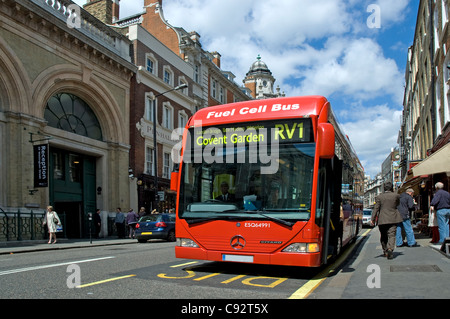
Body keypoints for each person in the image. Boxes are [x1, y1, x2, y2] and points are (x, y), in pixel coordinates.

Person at [371, 182, 403, 259]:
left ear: (384, 188)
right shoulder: (396, 195)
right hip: (393, 218)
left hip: (382, 219)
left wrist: (373, 219)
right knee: (392, 235)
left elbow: (376, 208)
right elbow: (397, 204)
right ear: (391, 188)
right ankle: (390, 248)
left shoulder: (379, 197)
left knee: (383, 235)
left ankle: (385, 250)